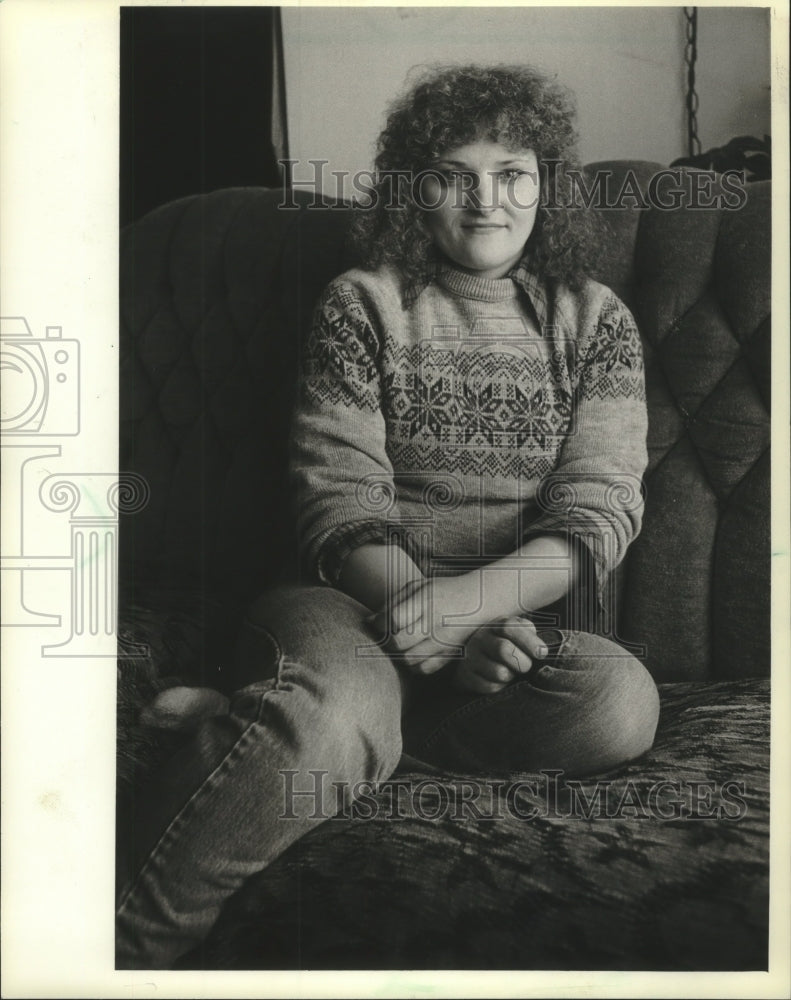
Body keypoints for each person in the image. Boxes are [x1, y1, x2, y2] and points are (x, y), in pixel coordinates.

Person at [116, 63, 660, 970]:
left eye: (513, 173)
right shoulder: (361, 302)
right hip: (341, 597)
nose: (487, 201)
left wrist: (470, 613)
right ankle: (120, 950)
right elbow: (339, 497)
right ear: (416, 189)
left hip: (497, 617)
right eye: (453, 175)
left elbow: (598, 505)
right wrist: (427, 620)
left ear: (547, 184)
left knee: (616, 702)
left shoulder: (595, 320)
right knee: (335, 708)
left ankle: (282, 732)